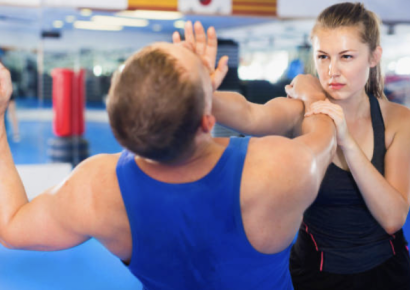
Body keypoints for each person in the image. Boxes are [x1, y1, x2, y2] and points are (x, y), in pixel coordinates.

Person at [0, 25, 336, 289]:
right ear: (208, 121)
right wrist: (310, 93)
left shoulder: (95, 188)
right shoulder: (282, 167)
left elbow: (12, 226)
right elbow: (324, 131)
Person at [212, 3, 410, 289]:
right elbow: (250, 115)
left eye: (346, 57)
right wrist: (204, 92)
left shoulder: (398, 121)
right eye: (323, 57)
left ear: (373, 57)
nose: (332, 71)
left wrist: (346, 141)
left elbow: (393, 218)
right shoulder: (299, 112)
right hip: (314, 274)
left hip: (387, 274)